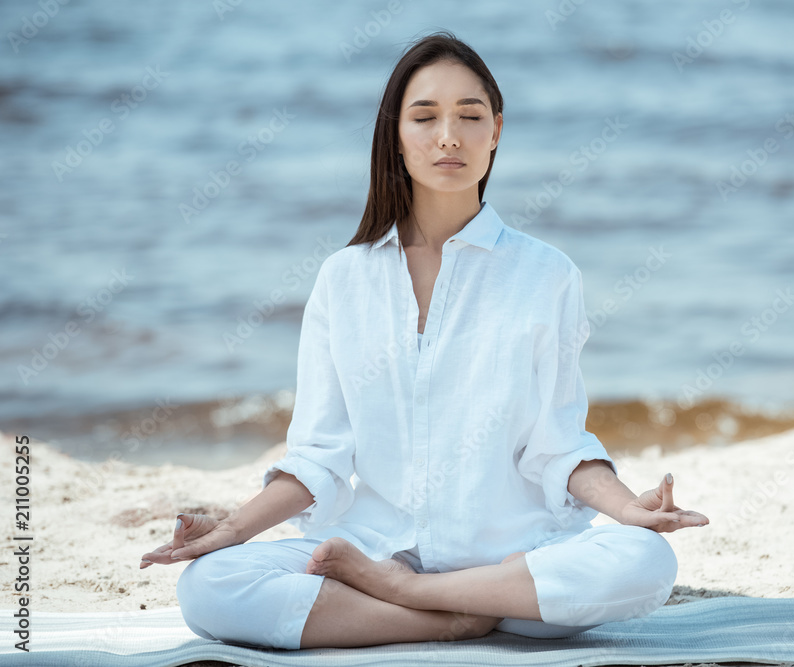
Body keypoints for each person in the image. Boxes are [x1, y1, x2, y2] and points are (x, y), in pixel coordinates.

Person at [139, 29, 709, 650]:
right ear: (395, 135)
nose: (449, 136)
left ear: (496, 131)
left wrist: (631, 511)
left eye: (470, 116)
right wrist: (230, 532)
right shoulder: (344, 279)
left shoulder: (546, 274)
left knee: (645, 561)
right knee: (209, 586)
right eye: (425, 117)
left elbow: (557, 445)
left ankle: (415, 601)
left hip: (508, 558)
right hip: (384, 551)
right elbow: (319, 458)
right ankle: (458, 616)